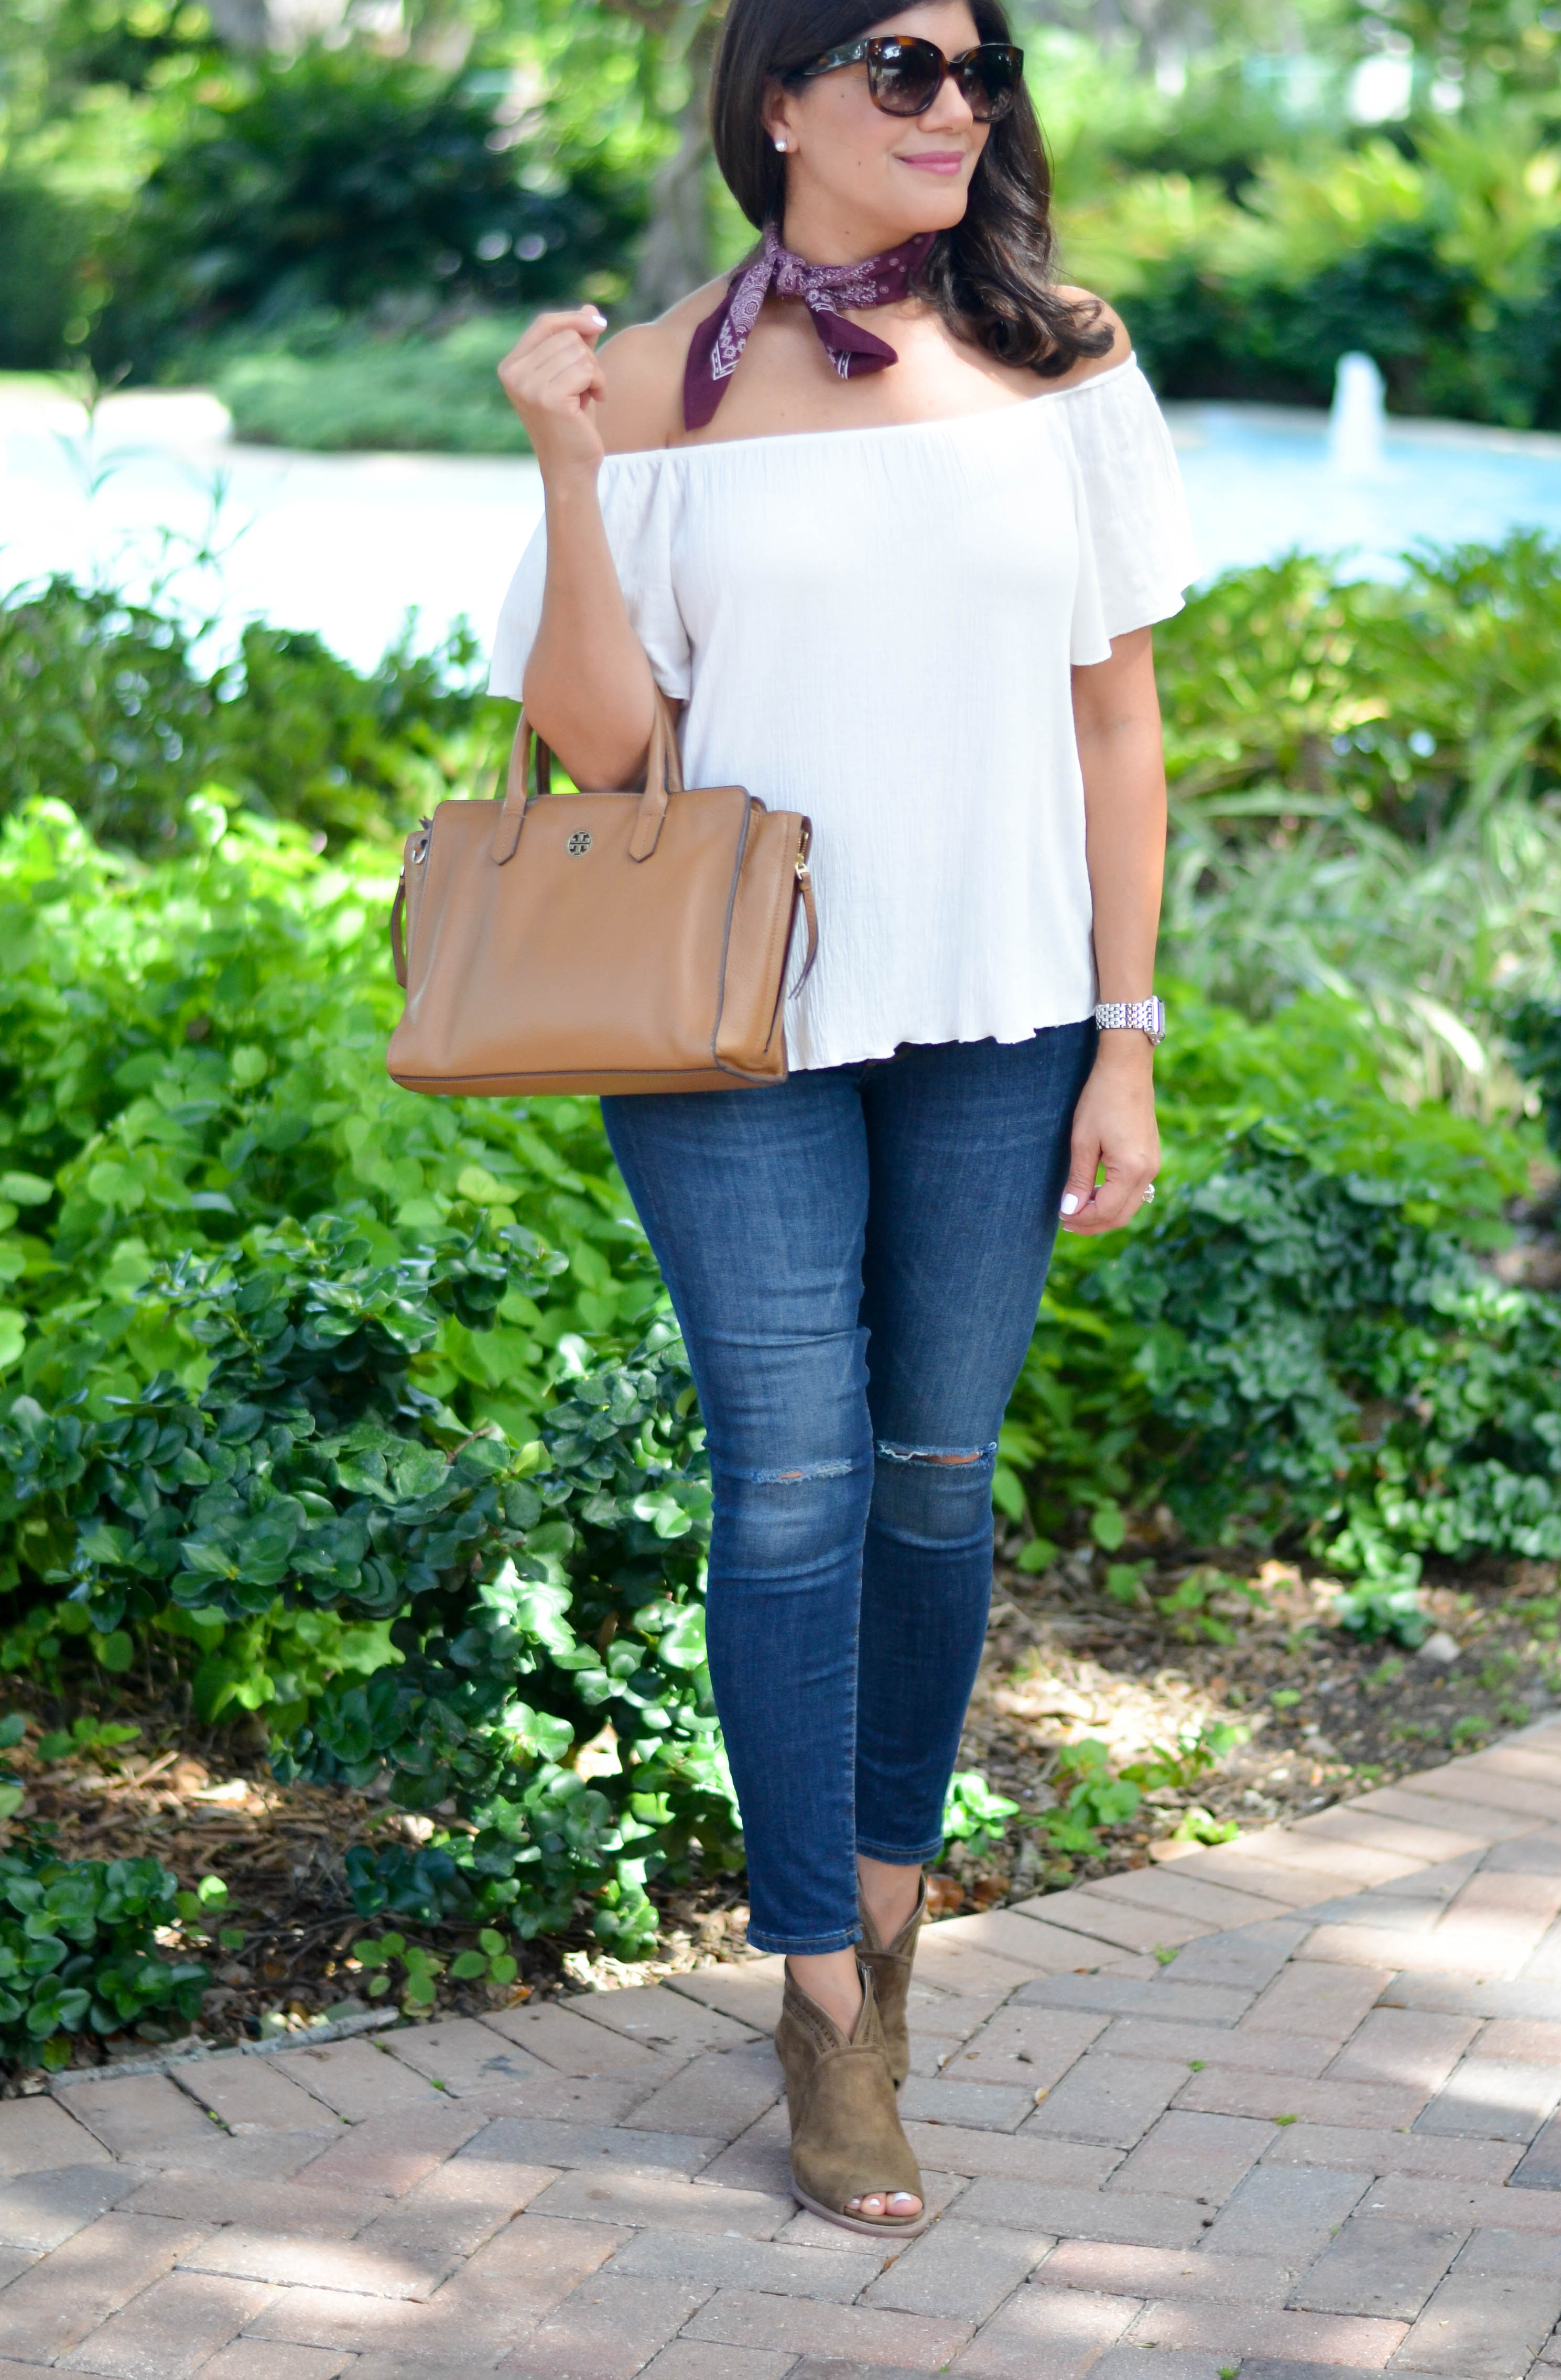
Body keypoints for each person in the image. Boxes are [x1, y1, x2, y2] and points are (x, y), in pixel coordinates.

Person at [489, 0, 1194, 2240]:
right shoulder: (654, 379)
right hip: (734, 1024)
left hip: (1001, 1010)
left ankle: (885, 1930)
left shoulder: (1065, 354)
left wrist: (1128, 1026)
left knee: (933, 1471)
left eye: (977, 70)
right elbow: (608, 748)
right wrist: (568, 465)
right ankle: (813, 1994)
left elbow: (1120, 721)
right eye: (901, 66)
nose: (957, 105)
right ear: (778, 98)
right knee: (785, 1472)